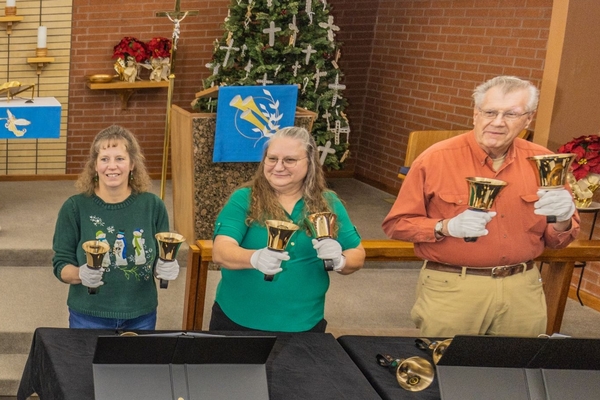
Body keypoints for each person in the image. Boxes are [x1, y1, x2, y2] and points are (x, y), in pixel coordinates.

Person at [382, 76, 580, 337]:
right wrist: (446, 227)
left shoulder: (545, 163)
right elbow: (396, 224)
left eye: (511, 114)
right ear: (475, 114)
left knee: (516, 371)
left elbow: (558, 240)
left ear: (527, 119)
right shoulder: (435, 159)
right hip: (453, 287)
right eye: (490, 112)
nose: (498, 122)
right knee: (449, 369)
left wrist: (563, 218)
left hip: (522, 289)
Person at [209, 126, 366, 333]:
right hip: (240, 319)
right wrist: (254, 258)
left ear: (310, 163)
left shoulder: (328, 203)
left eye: (290, 160)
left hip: (304, 322)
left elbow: (357, 253)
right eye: (272, 158)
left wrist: (340, 260)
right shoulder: (244, 199)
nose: (279, 166)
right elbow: (220, 252)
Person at [52, 125, 179, 330]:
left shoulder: (153, 206)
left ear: (132, 164)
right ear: (94, 165)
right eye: (104, 159)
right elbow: (60, 265)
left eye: (120, 158)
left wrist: (164, 267)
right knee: (85, 364)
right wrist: (80, 274)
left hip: (141, 314)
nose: (112, 166)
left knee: (136, 364)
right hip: (89, 315)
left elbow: (159, 259)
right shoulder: (75, 207)